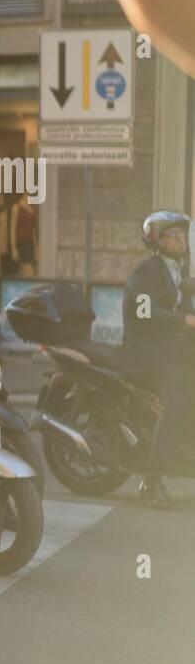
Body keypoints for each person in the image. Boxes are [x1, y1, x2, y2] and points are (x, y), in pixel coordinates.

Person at [121, 210, 195, 509]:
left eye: (181, 235)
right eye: (171, 235)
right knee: (177, 406)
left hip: (173, 350)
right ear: (156, 240)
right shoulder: (147, 270)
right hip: (149, 353)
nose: (179, 240)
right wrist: (183, 320)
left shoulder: (178, 270)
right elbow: (142, 310)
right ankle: (151, 481)